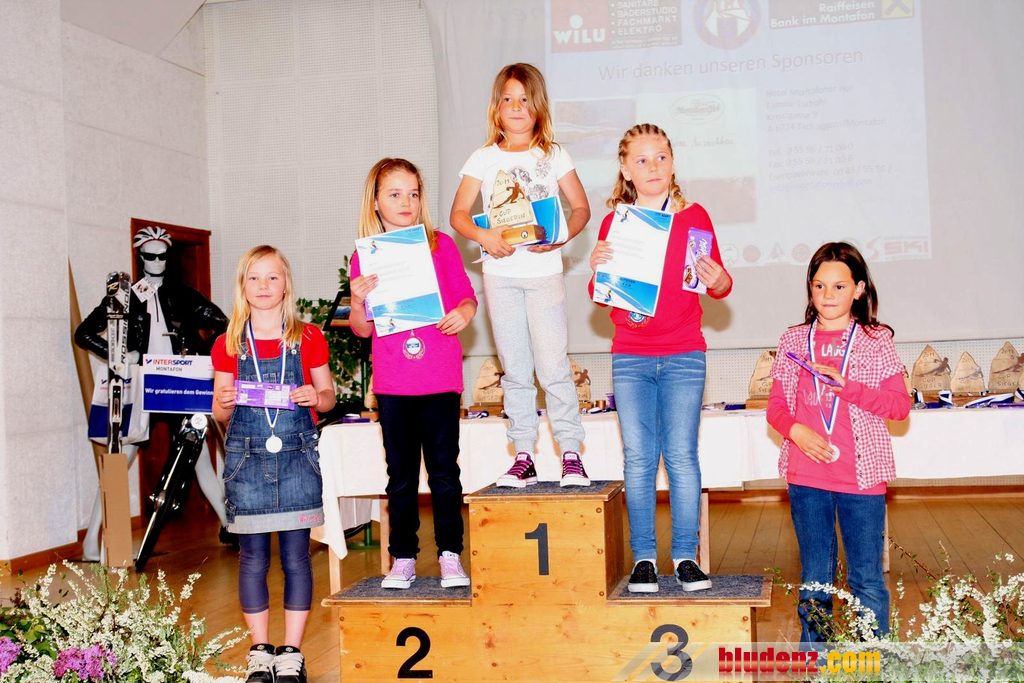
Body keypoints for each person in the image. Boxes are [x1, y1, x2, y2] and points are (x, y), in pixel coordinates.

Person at [589, 123, 732, 593]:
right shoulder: (615, 223)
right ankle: (644, 559)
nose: (653, 167)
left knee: (682, 456)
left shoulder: (695, 216)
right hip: (631, 357)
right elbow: (603, 296)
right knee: (638, 460)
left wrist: (718, 280)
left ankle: (687, 556)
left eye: (662, 157)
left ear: (673, 162)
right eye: (642, 160)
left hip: (685, 353)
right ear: (625, 169)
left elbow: (718, 284)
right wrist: (596, 270)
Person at [450, 62, 591, 487]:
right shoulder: (483, 158)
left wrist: (560, 236)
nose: (516, 107)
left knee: (552, 366)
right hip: (500, 276)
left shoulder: (554, 155)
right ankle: (524, 454)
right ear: (496, 107)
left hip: (543, 274)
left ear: (538, 106)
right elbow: (459, 215)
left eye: (524, 99)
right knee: (514, 369)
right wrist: (484, 236)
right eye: (508, 99)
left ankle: (571, 453)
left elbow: (581, 208)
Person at [766, 241, 910, 643]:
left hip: (861, 479)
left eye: (839, 286)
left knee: (866, 579)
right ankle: (817, 662)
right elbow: (776, 407)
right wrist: (795, 430)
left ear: (859, 289)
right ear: (810, 290)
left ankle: (871, 660)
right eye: (819, 286)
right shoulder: (794, 339)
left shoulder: (876, 339)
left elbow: (899, 407)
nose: (828, 295)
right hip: (806, 476)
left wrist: (848, 387)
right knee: (815, 579)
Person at [348, 158, 477, 590]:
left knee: (444, 473)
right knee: (400, 477)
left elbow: (467, 298)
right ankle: (402, 557)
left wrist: (464, 313)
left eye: (414, 193)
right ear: (376, 202)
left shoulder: (442, 245)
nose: (406, 202)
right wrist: (357, 300)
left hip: (440, 378)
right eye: (395, 194)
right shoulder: (365, 256)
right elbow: (363, 329)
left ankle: (450, 555)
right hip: (394, 383)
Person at [212, 245, 336, 683]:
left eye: (272, 277)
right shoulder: (228, 342)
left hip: (297, 458)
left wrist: (315, 396)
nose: (263, 286)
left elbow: (328, 396)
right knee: (252, 559)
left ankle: (292, 654)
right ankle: (260, 652)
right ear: (242, 286)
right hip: (246, 461)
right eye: (254, 278)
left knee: (297, 558)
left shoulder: (309, 337)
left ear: (286, 284)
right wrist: (224, 401)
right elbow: (220, 413)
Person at [74, 226, 230, 560]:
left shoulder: (184, 295)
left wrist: (203, 359)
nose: (157, 262)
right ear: (140, 257)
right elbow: (84, 333)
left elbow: (225, 325)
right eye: (150, 256)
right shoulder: (124, 296)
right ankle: (91, 542)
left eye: (163, 256)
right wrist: (120, 355)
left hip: (181, 382)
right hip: (142, 384)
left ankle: (229, 524)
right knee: (119, 461)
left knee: (198, 457)